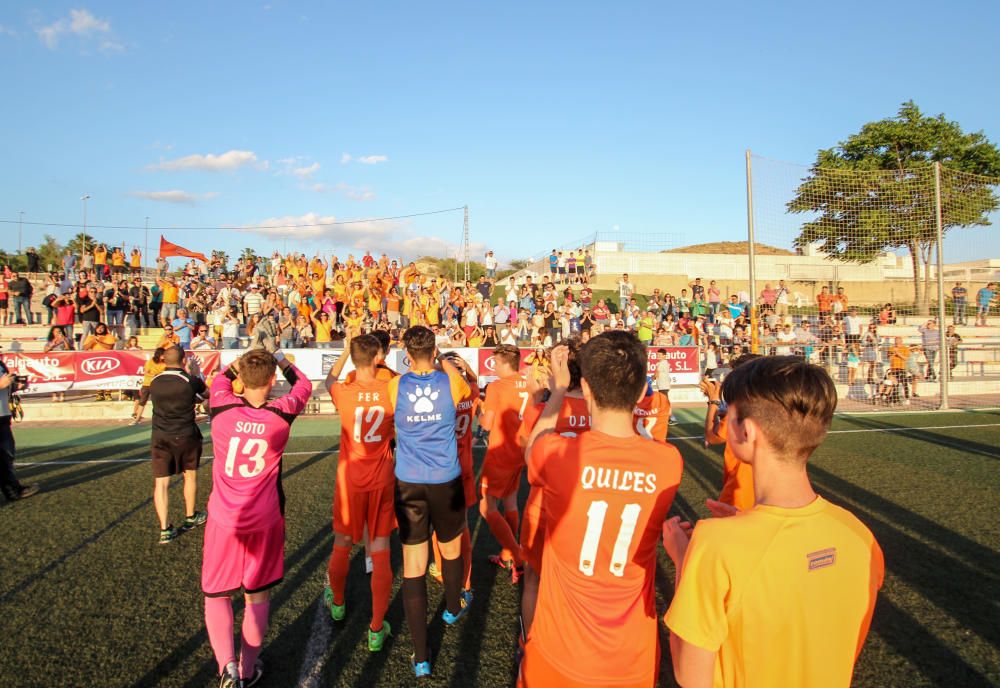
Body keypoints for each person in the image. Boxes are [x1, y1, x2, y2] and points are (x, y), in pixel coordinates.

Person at [662, 356, 884, 688]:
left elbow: (690, 675)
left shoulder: (715, 545)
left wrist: (684, 562)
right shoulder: (859, 535)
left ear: (747, 431)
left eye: (730, 414)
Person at [518, 333, 684, 688]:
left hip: (558, 653)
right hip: (631, 656)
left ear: (588, 389)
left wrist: (558, 392)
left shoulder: (557, 455)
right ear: (641, 393)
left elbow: (532, 449)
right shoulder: (668, 462)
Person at [202, 348, 312, 688]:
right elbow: (304, 384)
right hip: (264, 516)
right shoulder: (280, 415)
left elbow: (218, 380)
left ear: (240, 381)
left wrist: (241, 363)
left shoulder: (221, 404)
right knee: (257, 595)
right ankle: (247, 670)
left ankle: (227, 667)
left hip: (224, 516)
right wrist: (279, 358)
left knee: (217, 595)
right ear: (271, 381)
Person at [387, 326, 473, 678]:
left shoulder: (395, 386)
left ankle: (421, 657)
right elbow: (462, 383)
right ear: (434, 350)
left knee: (413, 564)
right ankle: (453, 607)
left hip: (409, 482)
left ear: (407, 353)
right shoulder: (450, 383)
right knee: (451, 550)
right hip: (445, 479)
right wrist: (439, 359)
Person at [321, 334, 396, 651]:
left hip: (350, 478)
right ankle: (376, 628)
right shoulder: (392, 388)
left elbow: (329, 379)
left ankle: (337, 602)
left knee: (342, 542)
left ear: (353, 359)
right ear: (378, 355)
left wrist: (343, 354)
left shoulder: (343, 390)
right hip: (382, 478)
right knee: (380, 548)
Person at [516, 337, 590, 637]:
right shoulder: (601, 410)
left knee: (533, 578)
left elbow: (527, 452)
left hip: (542, 502)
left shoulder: (543, 410)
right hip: (582, 503)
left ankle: (529, 643)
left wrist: (537, 399)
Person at [479, 344, 530, 581]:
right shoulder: (529, 384)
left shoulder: (496, 386)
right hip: (520, 452)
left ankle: (517, 557)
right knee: (510, 502)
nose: (494, 367)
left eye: (496, 363)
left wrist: (478, 410)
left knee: (486, 507)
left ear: (503, 363)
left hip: (500, 453)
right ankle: (507, 554)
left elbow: (486, 424)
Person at [148, 346, 208, 544]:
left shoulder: (154, 381)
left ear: (164, 360)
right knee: (189, 475)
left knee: (161, 483)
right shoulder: (190, 380)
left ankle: (165, 529)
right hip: (185, 434)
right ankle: (190, 516)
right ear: (183, 360)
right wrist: (196, 373)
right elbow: (208, 395)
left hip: (160, 435)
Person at [700, 354, 760, 513]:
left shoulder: (740, 410)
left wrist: (713, 401)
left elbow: (712, 437)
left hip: (741, 488)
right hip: (770, 489)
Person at [0, 355, 39, 502]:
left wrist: (16, 386)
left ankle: (13, 491)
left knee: (6, 455)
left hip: (3, 416)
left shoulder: (1, 364)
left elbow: (5, 387)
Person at [131, 348, 167, 425]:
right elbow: (146, 372)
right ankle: (137, 419)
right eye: (163, 354)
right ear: (159, 355)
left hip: (158, 384)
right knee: (142, 401)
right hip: (147, 384)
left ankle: (162, 419)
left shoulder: (165, 363)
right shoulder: (150, 362)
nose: (165, 356)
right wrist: (155, 375)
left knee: (159, 402)